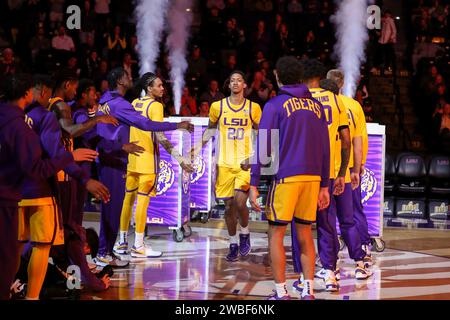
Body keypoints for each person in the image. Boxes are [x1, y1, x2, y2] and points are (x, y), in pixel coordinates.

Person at [248, 56, 330, 300]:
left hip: (286, 177)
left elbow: (264, 147)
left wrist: (253, 182)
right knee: (305, 234)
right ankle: (309, 290)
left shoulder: (275, 104)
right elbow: (325, 148)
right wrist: (324, 185)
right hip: (313, 178)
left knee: (276, 234)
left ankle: (281, 291)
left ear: (278, 77)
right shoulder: (316, 106)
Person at [94, 67, 193, 267]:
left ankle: (121, 242)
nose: (163, 88)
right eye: (159, 85)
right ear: (149, 88)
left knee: (126, 201)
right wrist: (180, 157)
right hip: (147, 159)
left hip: (130, 160)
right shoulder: (155, 107)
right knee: (142, 202)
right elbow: (159, 135)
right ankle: (138, 244)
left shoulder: (132, 102)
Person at [0, 73, 74, 299]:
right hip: (34, 190)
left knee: (12, 249)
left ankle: (11, 287)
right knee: (40, 245)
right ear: (31, 93)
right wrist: (71, 159)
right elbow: (38, 165)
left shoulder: (18, 118)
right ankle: (31, 296)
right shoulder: (36, 119)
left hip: (16, 194)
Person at [192, 71, 262, 262]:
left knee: (240, 202)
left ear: (245, 85)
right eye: (232, 80)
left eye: (239, 80)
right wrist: (197, 148)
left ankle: (245, 233)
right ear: (229, 85)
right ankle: (233, 243)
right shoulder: (217, 107)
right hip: (224, 163)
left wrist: (257, 157)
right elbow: (210, 130)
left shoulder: (253, 108)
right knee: (229, 207)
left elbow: (263, 133)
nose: (236, 83)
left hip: (243, 164)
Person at [327, 69, 373, 265]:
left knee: (327, 217)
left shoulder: (323, 104)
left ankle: (330, 257)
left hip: (327, 168)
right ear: (343, 84)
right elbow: (360, 138)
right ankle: (363, 247)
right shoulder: (354, 106)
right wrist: (359, 165)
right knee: (353, 211)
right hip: (348, 168)